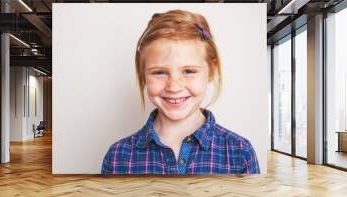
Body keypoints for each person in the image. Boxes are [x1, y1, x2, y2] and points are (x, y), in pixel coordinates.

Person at [101, 9, 260, 175]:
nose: (174, 87)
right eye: (159, 72)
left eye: (189, 71)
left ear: (211, 71)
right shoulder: (118, 157)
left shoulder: (240, 153)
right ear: (143, 75)